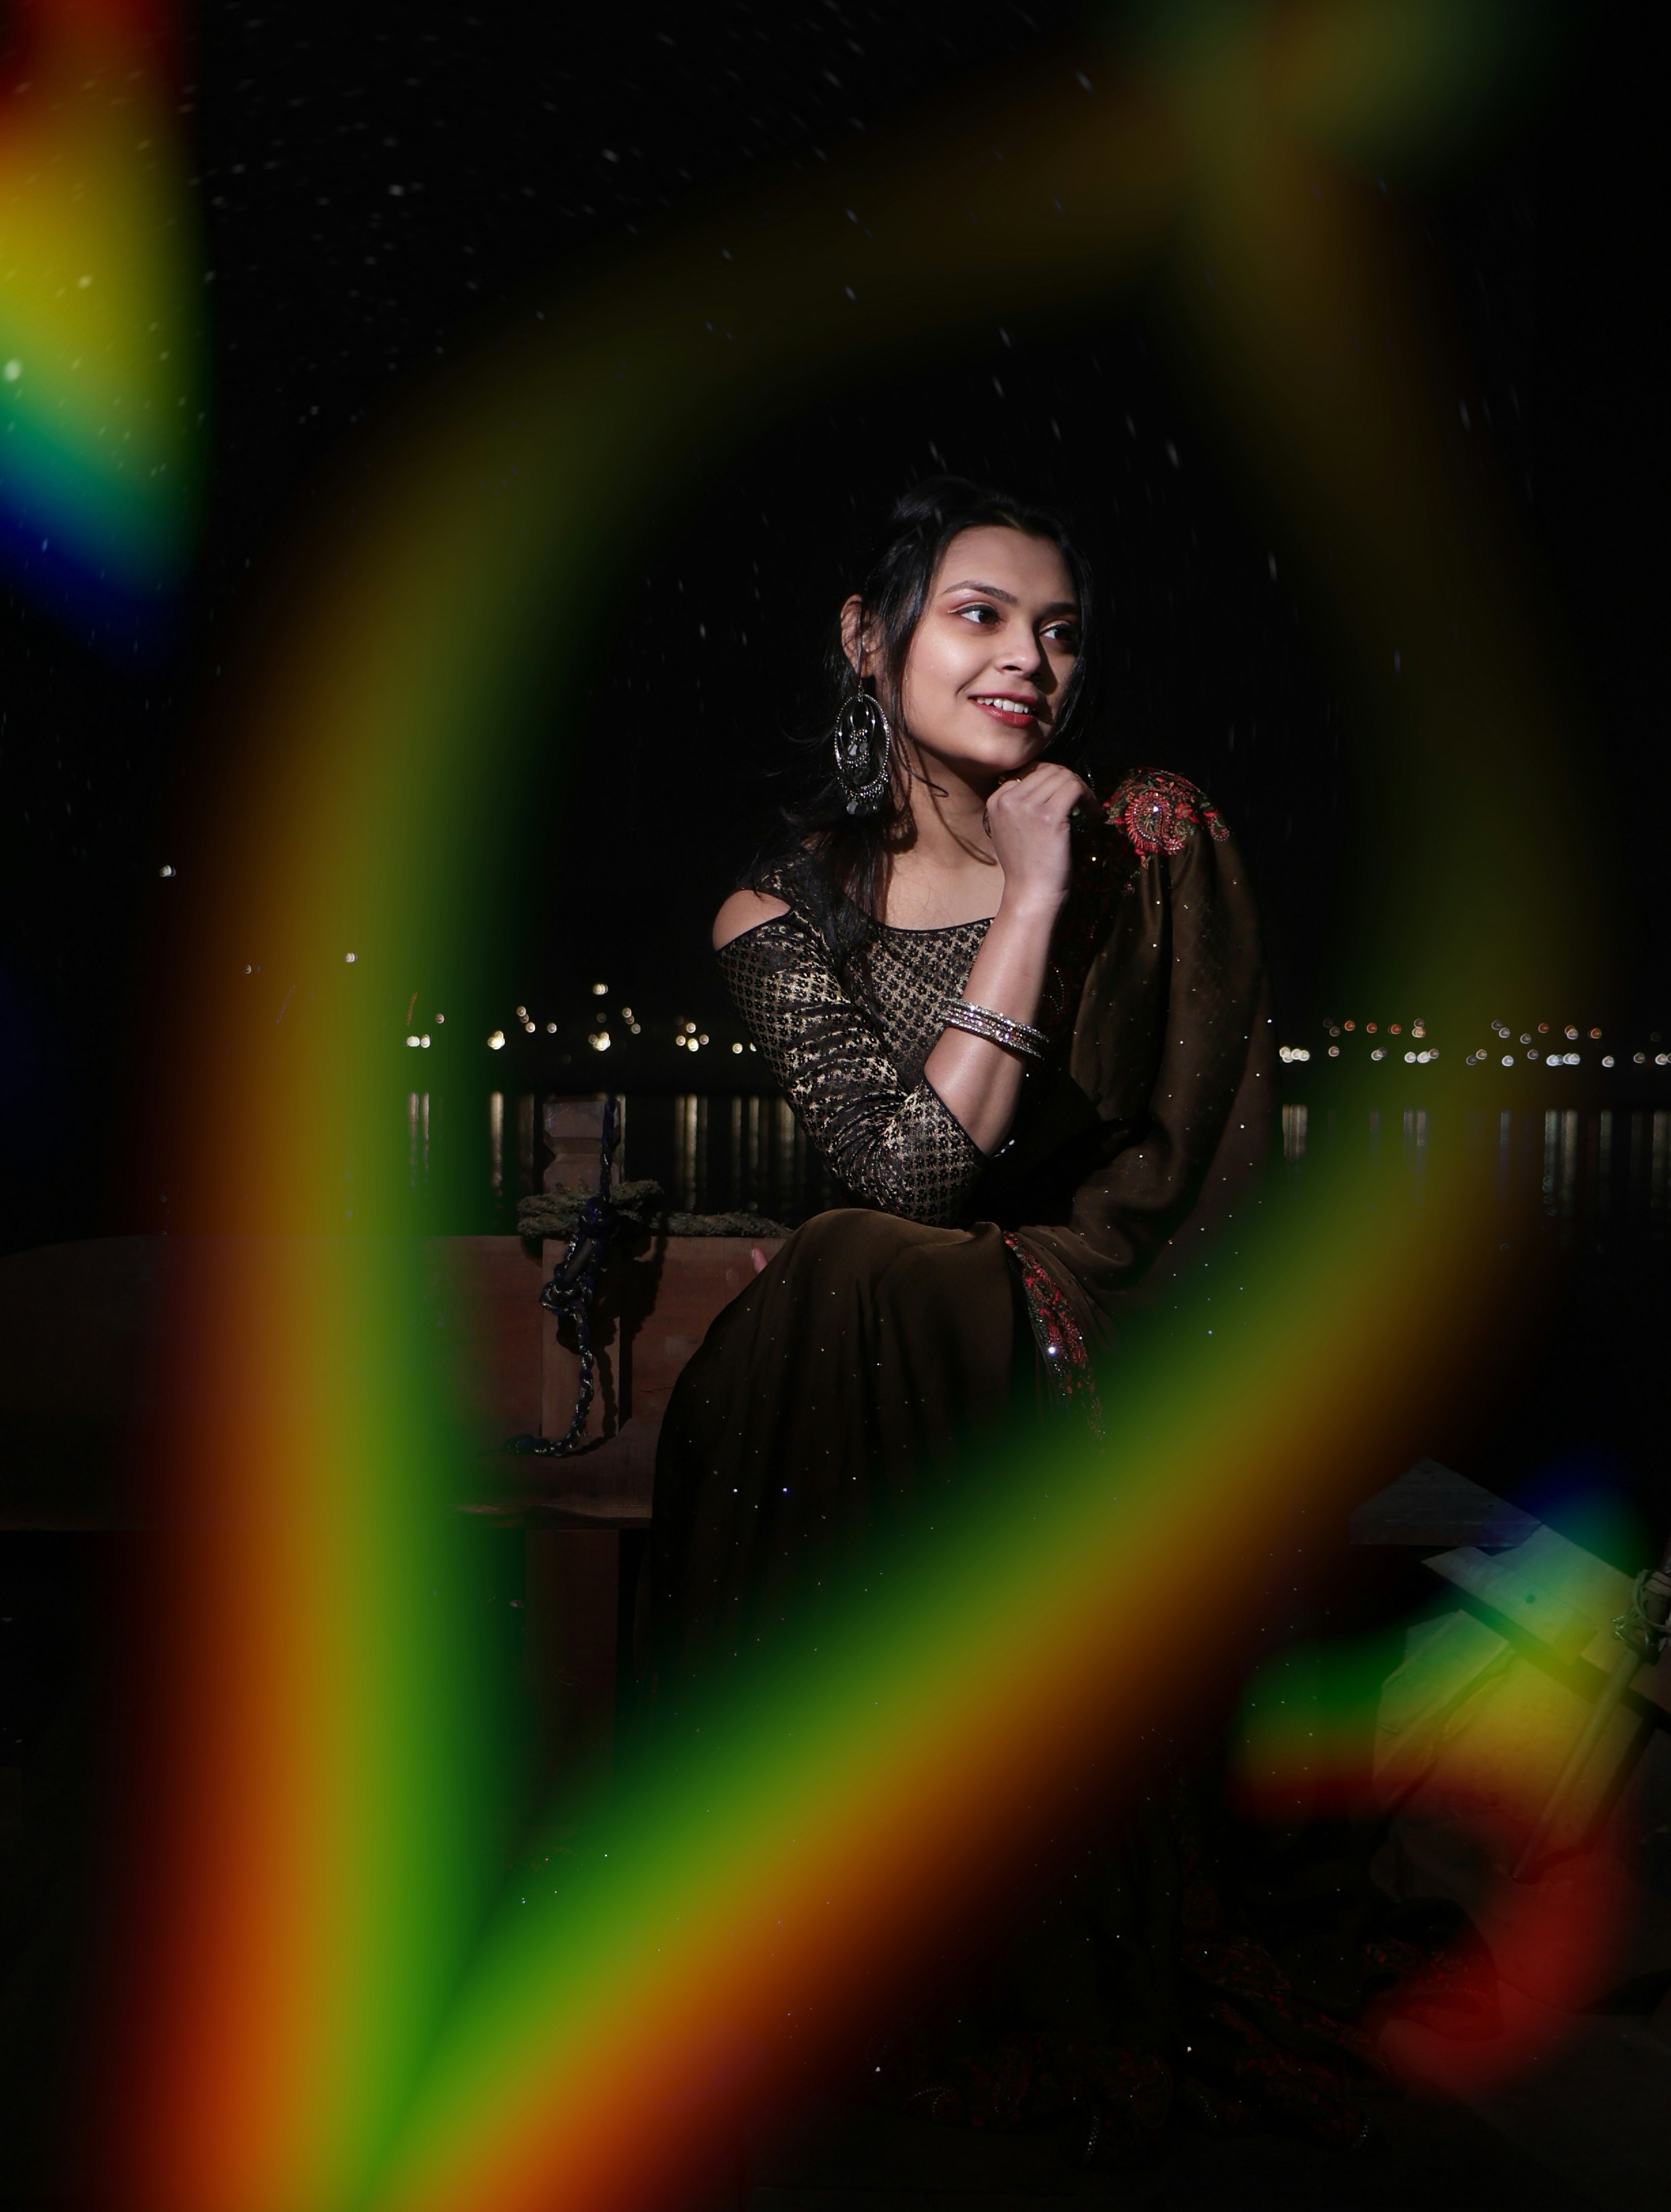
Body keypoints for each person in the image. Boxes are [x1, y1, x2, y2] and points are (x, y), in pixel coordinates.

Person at [638, 479, 1472, 2157]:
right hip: (893, 1322)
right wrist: (1019, 901)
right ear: (870, 645)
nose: (1032, 659)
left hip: (1108, 1309)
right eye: (981, 615)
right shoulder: (780, 907)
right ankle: (811, 1929)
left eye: (1061, 629)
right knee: (858, 1270)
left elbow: (1196, 1170)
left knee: (856, 1267)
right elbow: (916, 1176)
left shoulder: (1153, 835)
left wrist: (1053, 880)